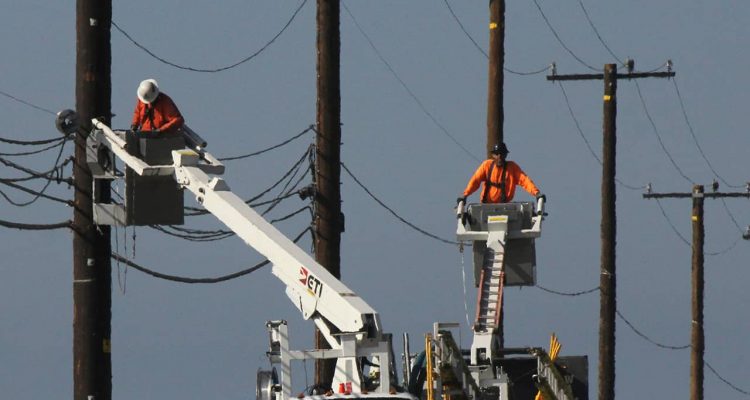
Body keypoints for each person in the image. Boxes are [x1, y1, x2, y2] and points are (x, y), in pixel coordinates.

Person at [458, 142, 543, 204]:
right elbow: (475, 181)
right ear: (493, 156)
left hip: (505, 208)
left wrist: (537, 193)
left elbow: (525, 181)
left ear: (505, 155)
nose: (499, 157)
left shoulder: (512, 167)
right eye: (497, 154)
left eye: (502, 154)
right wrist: (465, 195)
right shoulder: (486, 165)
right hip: (486, 207)